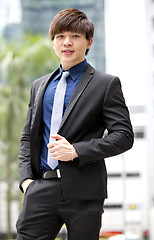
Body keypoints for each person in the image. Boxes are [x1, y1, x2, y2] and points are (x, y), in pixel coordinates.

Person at [16, 8, 134, 240]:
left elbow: (123, 135)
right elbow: (28, 137)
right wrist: (26, 181)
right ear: (53, 42)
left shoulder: (106, 84)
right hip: (41, 187)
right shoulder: (39, 86)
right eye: (60, 36)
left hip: (85, 192)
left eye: (75, 36)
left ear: (89, 42)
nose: (67, 42)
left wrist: (76, 151)